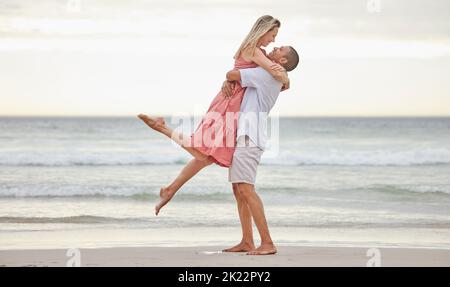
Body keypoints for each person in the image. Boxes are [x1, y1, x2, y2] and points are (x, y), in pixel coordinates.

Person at [138, 15, 289, 216]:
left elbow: (252, 75)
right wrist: (285, 77)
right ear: (264, 30)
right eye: (273, 35)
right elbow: (274, 72)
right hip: (230, 104)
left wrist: (281, 78)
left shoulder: (253, 50)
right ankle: (162, 129)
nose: (273, 41)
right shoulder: (253, 50)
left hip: (234, 103)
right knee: (203, 151)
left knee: (205, 155)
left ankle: (170, 189)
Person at [223, 46, 300, 255]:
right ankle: (247, 241)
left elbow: (232, 74)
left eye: (279, 48)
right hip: (246, 135)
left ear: (282, 60)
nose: (274, 47)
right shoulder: (271, 74)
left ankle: (267, 242)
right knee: (239, 190)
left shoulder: (265, 74)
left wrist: (229, 79)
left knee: (246, 189)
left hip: (250, 136)